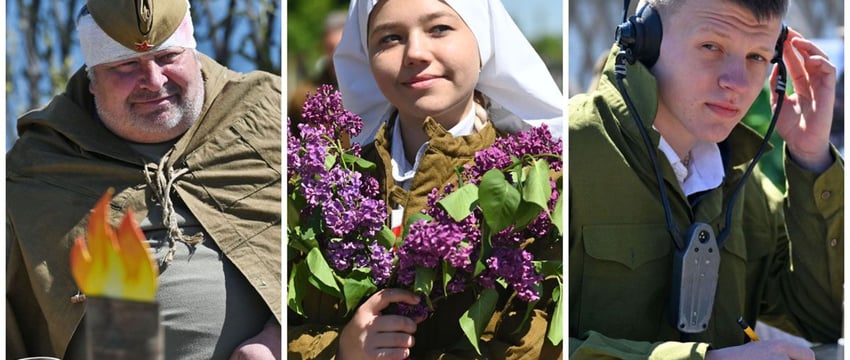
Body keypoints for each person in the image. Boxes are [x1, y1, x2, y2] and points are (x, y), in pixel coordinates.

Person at [287, 0, 563, 358]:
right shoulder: (327, 181)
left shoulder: (539, 182)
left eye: (439, 29)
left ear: (483, 40)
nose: (415, 52)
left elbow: (536, 337)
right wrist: (341, 351)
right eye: (389, 38)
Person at [6, 0, 282, 359]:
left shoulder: (267, 113)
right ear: (92, 80)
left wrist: (278, 339)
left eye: (167, 57)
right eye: (125, 65)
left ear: (193, 54)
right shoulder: (36, 170)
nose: (153, 81)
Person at [569, 0, 842, 358]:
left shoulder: (747, 184)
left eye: (757, 56)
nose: (738, 84)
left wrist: (811, 160)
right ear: (643, 40)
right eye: (711, 47)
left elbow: (823, 320)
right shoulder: (568, 153)